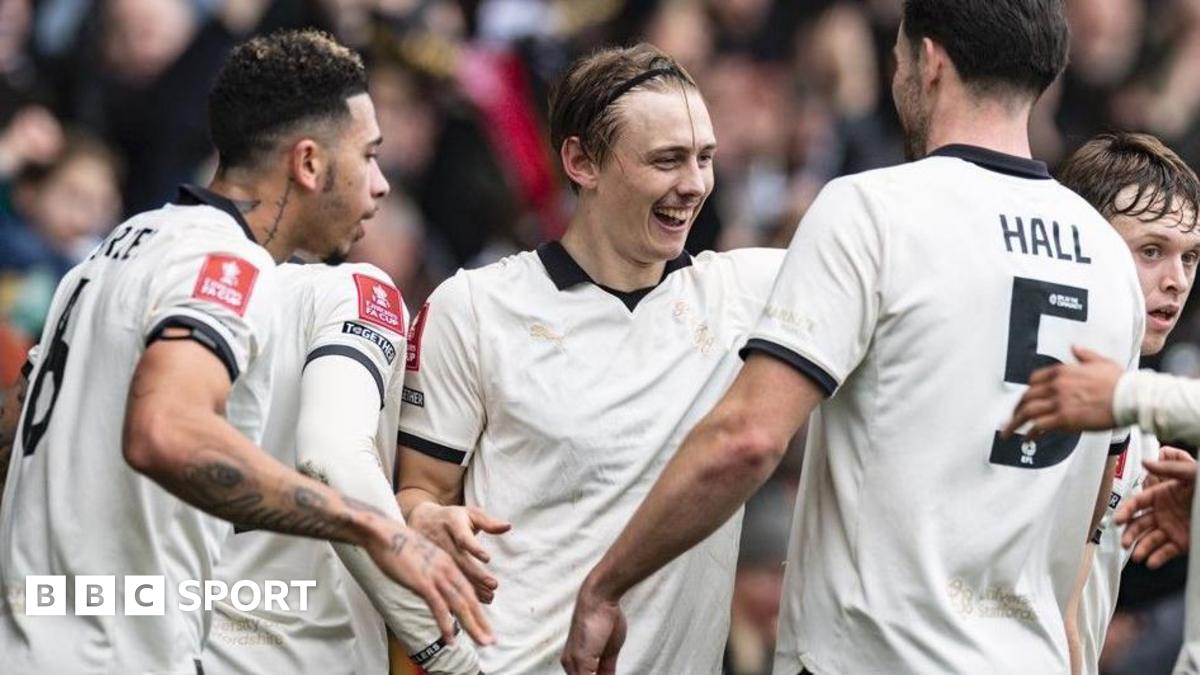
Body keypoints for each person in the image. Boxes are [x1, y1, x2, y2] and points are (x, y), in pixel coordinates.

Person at [562, 2, 1146, 674]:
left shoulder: (873, 210)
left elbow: (748, 439)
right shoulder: (1110, 261)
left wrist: (607, 582)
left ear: (929, 62)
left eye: (897, 58)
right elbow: (1097, 498)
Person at [0, 28, 488, 674]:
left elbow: (14, 437)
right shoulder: (225, 261)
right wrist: (372, 525)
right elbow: (165, 431)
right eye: (368, 156)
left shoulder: (111, 252)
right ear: (309, 163)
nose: (381, 185)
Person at [395, 43, 784, 674]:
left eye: (705, 158)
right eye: (667, 160)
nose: (694, 184)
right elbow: (417, 492)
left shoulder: (750, 294)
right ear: (582, 161)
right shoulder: (475, 307)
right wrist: (426, 518)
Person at [203, 261, 480, 674]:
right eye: (366, 187)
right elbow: (331, 460)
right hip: (305, 657)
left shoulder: (127, 277)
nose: (381, 191)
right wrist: (449, 657)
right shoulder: (353, 289)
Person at [1046, 132, 1200, 675]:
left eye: (1191, 257)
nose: (1176, 281)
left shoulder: (1140, 420)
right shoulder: (1049, 390)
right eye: (1151, 251)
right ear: (1084, 242)